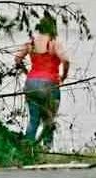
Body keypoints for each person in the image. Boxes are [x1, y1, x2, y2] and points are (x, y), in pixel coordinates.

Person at [14, 14, 70, 148]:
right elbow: (66, 60)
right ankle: (47, 148)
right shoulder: (54, 43)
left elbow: (17, 58)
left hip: (31, 83)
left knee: (33, 120)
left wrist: (26, 72)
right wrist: (63, 76)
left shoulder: (31, 42)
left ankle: (28, 148)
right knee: (49, 120)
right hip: (49, 84)